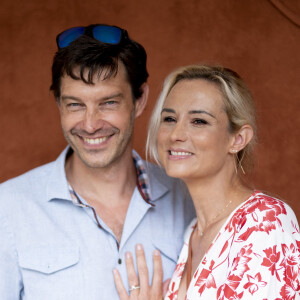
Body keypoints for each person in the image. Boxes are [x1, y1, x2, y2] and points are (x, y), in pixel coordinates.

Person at [0, 24, 195, 299]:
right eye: (75, 105)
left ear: (140, 100)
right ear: (58, 104)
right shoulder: (7, 208)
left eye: (108, 103)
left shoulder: (187, 199)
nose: (90, 125)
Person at [114, 65, 300, 299]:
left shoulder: (266, 222)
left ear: (238, 139)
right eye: (169, 118)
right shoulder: (192, 233)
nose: (176, 134)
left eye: (199, 121)